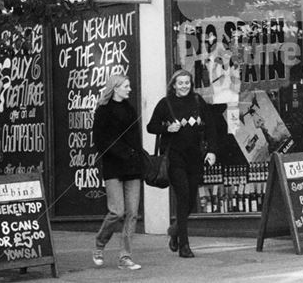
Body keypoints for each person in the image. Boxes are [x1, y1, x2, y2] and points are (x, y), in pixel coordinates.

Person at [147, 68, 218, 258]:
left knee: (191, 200)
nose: (184, 86)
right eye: (180, 83)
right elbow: (151, 126)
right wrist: (167, 127)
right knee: (183, 196)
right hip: (174, 158)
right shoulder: (165, 103)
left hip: (195, 157)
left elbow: (211, 126)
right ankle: (184, 245)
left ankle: (175, 231)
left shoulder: (197, 101)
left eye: (187, 82)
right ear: (174, 85)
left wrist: (211, 151)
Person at [92, 73, 143, 271]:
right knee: (117, 211)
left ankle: (125, 256)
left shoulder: (130, 109)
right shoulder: (103, 111)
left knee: (132, 213)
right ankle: (100, 243)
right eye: (126, 86)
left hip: (133, 167)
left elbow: (136, 138)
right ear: (116, 88)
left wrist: (137, 156)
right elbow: (99, 140)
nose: (129, 89)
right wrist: (122, 152)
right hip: (114, 165)